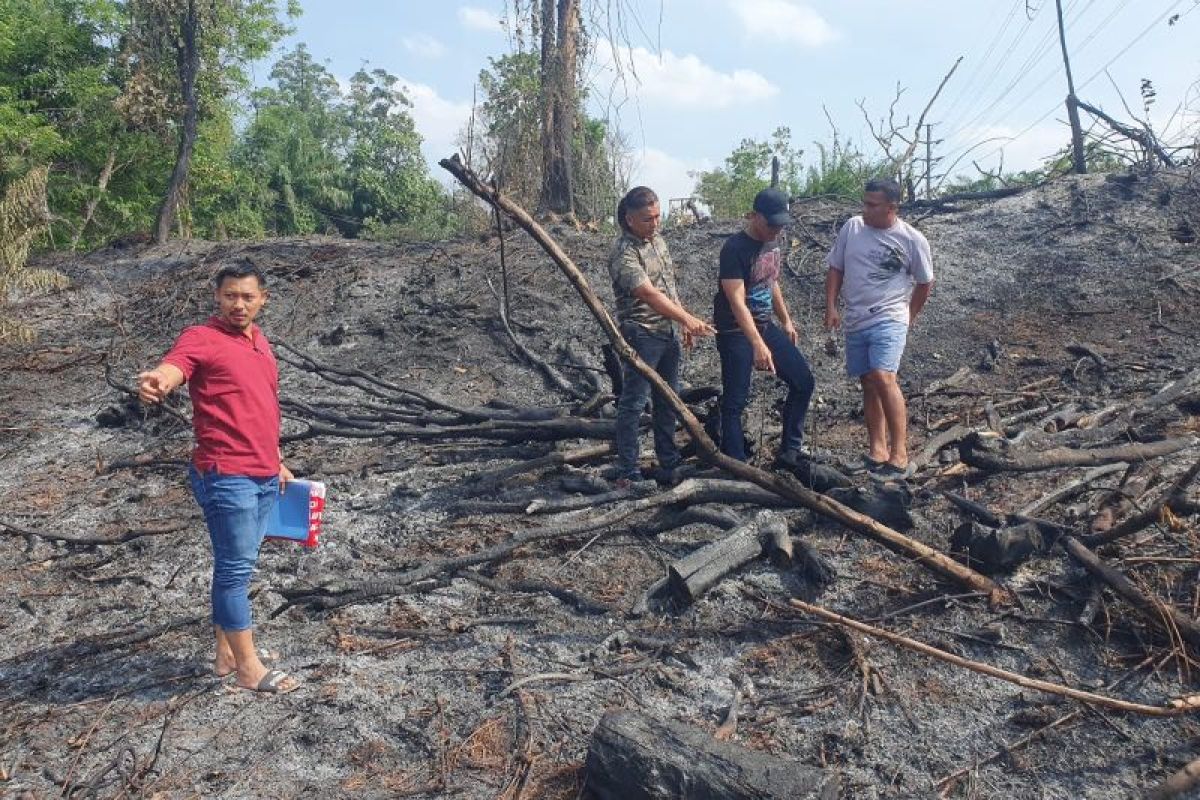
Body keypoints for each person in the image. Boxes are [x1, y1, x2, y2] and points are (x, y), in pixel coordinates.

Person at [137, 262, 299, 694]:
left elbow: (261, 405)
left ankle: (226, 653)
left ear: (263, 299)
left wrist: (276, 458)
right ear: (218, 297)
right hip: (227, 475)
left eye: (247, 296)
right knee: (235, 571)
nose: (238, 304)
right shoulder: (202, 337)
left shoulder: (260, 342)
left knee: (232, 566)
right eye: (230, 296)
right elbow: (176, 365)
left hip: (263, 470)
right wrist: (160, 380)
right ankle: (249, 668)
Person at [825, 177, 934, 480]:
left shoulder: (912, 240)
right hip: (856, 317)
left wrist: (908, 316)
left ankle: (899, 454)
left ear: (891, 207)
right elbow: (836, 268)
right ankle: (877, 450)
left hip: (890, 315)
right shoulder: (853, 228)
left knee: (884, 377)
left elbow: (925, 282)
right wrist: (831, 306)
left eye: (872, 205)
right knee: (868, 383)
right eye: (864, 202)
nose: (865, 209)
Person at [608, 186, 716, 486]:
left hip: (666, 331)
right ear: (629, 219)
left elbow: (668, 286)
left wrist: (681, 322)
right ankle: (628, 470)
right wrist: (688, 319)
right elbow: (649, 294)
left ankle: (667, 461)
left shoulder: (658, 242)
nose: (655, 223)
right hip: (641, 333)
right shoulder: (623, 253)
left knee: (668, 398)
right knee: (634, 401)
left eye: (657, 217)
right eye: (647, 219)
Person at [714, 187, 815, 467]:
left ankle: (790, 452)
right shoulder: (734, 249)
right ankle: (735, 463)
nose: (777, 230)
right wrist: (757, 343)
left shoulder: (774, 243)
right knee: (736, 399)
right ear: (756, 216)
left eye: (782, 225)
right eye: (772, 224)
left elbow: (771, 282)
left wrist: (786, 320)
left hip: (765, 324)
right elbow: (736, 301)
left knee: (803, 382)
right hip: (735, 330)